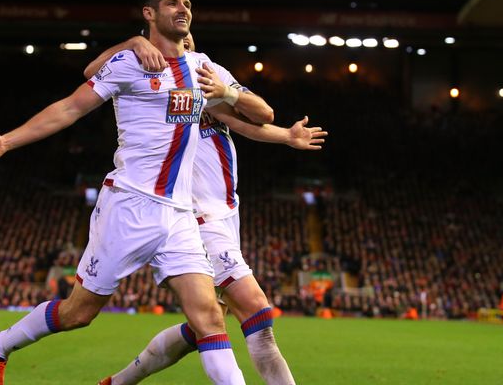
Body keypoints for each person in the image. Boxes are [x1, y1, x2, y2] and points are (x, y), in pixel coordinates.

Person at [0, 0, 249, 385]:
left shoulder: (204, 69)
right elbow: (70, 108)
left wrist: (244, 102)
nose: (183, 9)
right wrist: (5, 142)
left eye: (186, 3)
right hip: (129, 206)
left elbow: (259, 113)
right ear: (150, 14)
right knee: (78, 314)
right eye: (171, 4)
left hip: (181, 215)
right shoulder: (132, 63)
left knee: (210, 317)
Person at [86, 34, 327, 384]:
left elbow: (256, 117)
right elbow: (91, 72)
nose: (185, 40)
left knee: (203, 327)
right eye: (176, 36)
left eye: (188, 36)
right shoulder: (154, 92)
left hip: (228, 214)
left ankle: (118, 382)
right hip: (197, 219)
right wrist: (131, 44)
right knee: (257, 311)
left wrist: (284, 135)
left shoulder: (204, 78)